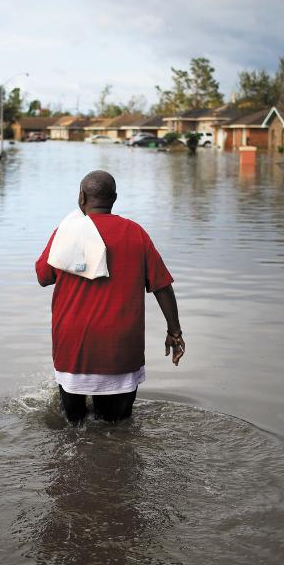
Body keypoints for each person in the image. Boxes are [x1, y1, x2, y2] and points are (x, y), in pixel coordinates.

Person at [35, 170, 184, 424]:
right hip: (121, 351)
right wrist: (175, 331)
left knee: (74, 428)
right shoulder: (135, 233)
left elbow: (43, 276)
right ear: (114, 198)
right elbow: (162, 286)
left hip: (73, 349)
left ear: (81, 197)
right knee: (118, 429)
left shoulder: (67, 232)